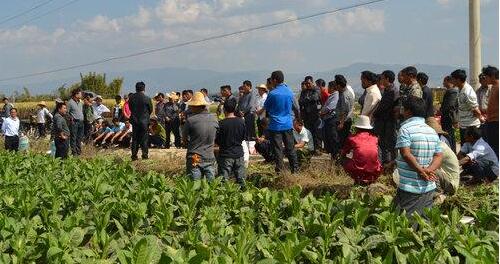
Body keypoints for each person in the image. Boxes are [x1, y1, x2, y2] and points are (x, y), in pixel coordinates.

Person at [392, 96, 443, 217]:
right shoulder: (431, 131)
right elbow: (439, 155)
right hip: (429, 185)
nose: (401, 111)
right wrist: (429, 170)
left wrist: (421, 171)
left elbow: (405, 153)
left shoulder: (405, 129)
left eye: (403, 109)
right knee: (424, 220)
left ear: (408, 111)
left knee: (407, 223)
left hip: (411, 186)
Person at [263, 70, 300, 173]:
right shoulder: (290, 92)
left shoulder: (272, 93)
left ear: (275, 80)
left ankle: (280, 171)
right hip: (287, 124)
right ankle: (295, 170)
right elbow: (296, 108)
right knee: (290, 148)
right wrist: (298, 119)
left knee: (278, 150)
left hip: (275, 126)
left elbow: (267, 108)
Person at [182, 92, 219, 180]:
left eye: (191, 106)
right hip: (209, 156)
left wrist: (190, 145)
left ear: (195, 106)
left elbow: (184, 140)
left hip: (195, 157)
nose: (190, 108)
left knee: (194, 187)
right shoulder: (214, 119)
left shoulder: (190, 120)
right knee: (211, 187)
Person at [340, 115, 382, 185]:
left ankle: (357, 179)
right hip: (375, 171)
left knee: (342, 159)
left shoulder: (352, 138)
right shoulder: (375, 138)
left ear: (357, 127)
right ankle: (369, 179)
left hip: (358, 171)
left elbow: (344, 153)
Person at [216, 99, 246, 189]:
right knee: (241, 180)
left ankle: (225, 200)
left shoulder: (221, 124)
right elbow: (243, 137)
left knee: (223, 180)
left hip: (225, 154)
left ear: (224, 109)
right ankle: (244, 199)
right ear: (235, 108)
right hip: (239, 153)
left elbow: (217, 140)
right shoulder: (241, 122)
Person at [426, 117, 459, 195]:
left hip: (451, 185)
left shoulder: (440, 147)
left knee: (428, 168)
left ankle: (438, 195)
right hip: (446, 180)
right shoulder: (438, 143)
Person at [373, 70, 399, 166]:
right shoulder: (387, 90)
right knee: (383, 143)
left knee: (391, 145)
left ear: (387, 79)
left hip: (390, 122)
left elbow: (384, 107)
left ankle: (391, 165)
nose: (381, 80)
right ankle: (385, 164)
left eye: (383, 78)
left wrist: (374, 114)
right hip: (384, 122)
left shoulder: (393, 91)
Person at [451, 69, 482, 143]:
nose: (451, 81)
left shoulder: (467, 92)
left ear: (458, 79)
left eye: (453, 79)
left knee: (471, 150)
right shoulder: (460, 90)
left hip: (471, 127)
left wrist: (480, 119)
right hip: (464, 125)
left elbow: (477, 111)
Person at [128, 82, 153, 161]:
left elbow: (130, 108)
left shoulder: (131, 98)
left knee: (135, 138)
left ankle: (134, 156)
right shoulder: (147, 98)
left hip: (135, 121)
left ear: (136, 88)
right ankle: (144, 155)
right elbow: (150, 110)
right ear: (144, 88)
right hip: (144, 121)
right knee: (144, 138)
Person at [299, 76, 322, 154]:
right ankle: (311, 149)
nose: (308, 85)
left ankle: (318, 149)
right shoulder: (304, 92)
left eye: (309, 83)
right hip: (307, 116)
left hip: (316, 115)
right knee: (309, 133)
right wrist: (308, 100)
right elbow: (300, 101)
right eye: (306, 83)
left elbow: (315, 97)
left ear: (312, 82)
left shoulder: (317, 89)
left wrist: (307, 99)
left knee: (317, 133)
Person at [482, 66, 499, 157]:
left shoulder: (498, 88)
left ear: (492, 76)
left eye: (486, 77)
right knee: (492, 147)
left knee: (496, 149)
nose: (485, 79)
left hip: (496, 123)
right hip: (490, 122)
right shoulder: (493, 87)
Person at [439, 76, 459, 152]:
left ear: (449, 81)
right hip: (447, 117)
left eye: (444, 81)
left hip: (448, 118)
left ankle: (452, 151)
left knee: (449, 135)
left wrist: (441, 111)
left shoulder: (452, 91)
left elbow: (450, 106)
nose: (443, 83)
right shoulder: (450, 91)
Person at [320, 81, 340, 159]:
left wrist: (322, 112)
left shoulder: (336, 96)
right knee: (329, 138)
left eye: (328, 87)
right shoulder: (332, 95)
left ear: (332, 88)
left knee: (333, 138)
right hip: (327, 120)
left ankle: (335, 156)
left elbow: (330, 107)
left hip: (332, 120)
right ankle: (333, 155)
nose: (327, 88)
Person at [333, 75, 353, 147]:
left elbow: (345, 111)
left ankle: (343, 156)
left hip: (344, 122)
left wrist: (341, 123)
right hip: (343, 121)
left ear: (338, 85)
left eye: (335, 85)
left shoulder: (345, 95)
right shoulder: (342, 93)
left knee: (342, 141)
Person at [67, 88, 84, 156]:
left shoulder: (80, 102)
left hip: (81, 122)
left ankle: (79, 152)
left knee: (79, 138)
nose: (81, 95)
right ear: (76, 94)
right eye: (80, 93)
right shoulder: (70, 102)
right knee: (73, 138)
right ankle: (74, 153)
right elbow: (66, 113)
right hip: (74, 122)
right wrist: (71, 118)